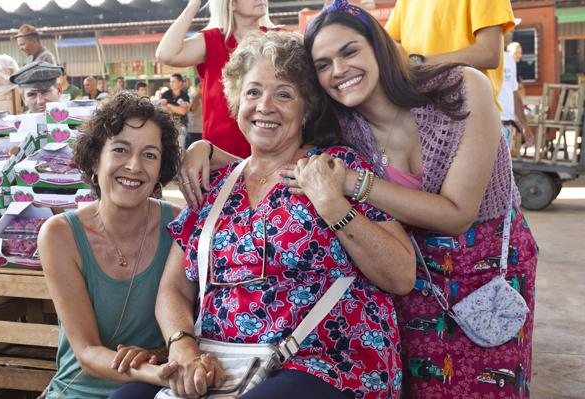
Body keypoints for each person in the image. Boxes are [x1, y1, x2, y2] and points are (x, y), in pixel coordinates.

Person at [179, 2, 538, 397]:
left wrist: (351, 184)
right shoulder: (345, 124)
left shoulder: (459, 88)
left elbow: (457, 214)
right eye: (323, 64)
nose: (339, 70)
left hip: (483, 265)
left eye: (349, 52)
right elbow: (281, 162)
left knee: (490, 384)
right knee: (426, 389)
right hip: (413, 269)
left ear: (379, 47)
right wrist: (209, 151)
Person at [113, 30, 414, 399]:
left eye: (284, 94)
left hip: (328, 362)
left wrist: (333, 206)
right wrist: (183, 349)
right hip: (226, 365)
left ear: (307, 108)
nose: (264, 106)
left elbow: (401, 275)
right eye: (253, 92)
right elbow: (174, 289)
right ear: (236, 101)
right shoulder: (215, 186)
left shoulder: (338, 168)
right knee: (126, 397)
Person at [38, 92, 182, 398]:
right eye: (120, 150)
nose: (134, 166)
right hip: (77, 390)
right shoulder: (60, 235)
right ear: (94, 158)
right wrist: (158, 373)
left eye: (150, 155)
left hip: (150, 393)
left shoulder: (180, 226)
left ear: (161, 169)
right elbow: (87, 351)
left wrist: (160, 356)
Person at [155, 0, 278, 158]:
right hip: (219, 158)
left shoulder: (278, 39)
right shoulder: (211, 41)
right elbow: (166, 54)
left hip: (272, 155)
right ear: (230, 4)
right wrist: (193, 5)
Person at [384, 0, 516, 109]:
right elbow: (387, 43)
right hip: (417, 110)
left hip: (467, 112)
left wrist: (417, 63)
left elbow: (488, 54)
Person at [498, 38, 532, 155]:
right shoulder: (486, 59)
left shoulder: (509, 61)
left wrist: (525, 126)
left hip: (507, 125)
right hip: (494, 125)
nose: (510, 31)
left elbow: (514, 93)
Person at [160, 73, 190, 149]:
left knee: (180, 149)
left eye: (173, 81)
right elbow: (163, 109)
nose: (171, 84)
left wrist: (169, 105)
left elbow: (183, 111)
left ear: (180, 83)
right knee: (167, 148)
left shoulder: (185, 95)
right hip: (167, 125)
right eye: (170, 82)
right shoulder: (166, 94)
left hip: (180, 125)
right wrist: (177, 108)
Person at [186, 78, 203, 149]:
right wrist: (199, 94)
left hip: (202, 131)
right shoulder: (192, 96)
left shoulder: (206, 96)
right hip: (194, 131)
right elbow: (192, 109)